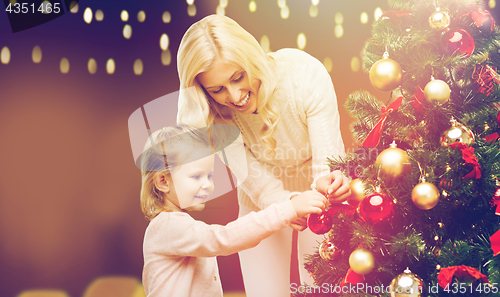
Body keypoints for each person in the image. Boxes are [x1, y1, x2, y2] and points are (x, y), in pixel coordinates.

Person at [176, 14, 351, 296]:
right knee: (264, 291)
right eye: (217, 89)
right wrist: (286, 203)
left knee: (322, 287)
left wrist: (329, 184)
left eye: (238, 77)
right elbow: (256, 181)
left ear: (251, 59)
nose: (234, 96)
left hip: (317, 192)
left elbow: (327, 163)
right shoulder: (211, 113)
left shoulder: (303, 74)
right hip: (260, 199)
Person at [140, 125, 328, 297]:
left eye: (209, 175)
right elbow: (223, 238)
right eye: (196, 176)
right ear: (163, 181)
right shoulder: (167, 226)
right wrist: (289, 208)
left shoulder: (177, 225)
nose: (208, 185)